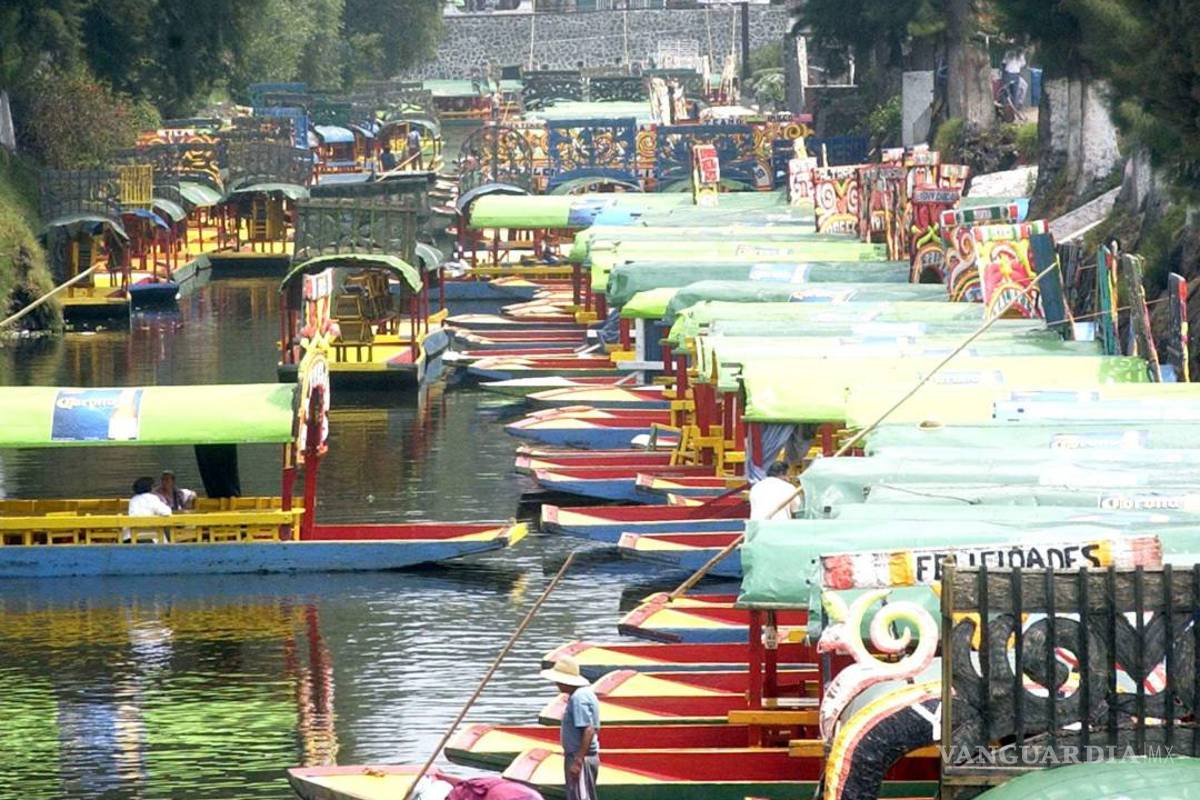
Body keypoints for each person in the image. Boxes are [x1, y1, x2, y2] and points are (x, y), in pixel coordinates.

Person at [540, 655, 599, 800]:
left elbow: (588, 729)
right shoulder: (583, 694)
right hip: (579, 756)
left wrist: (578, 761)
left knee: (581, 797)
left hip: (580, 757)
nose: (557, 684)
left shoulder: (579, 698)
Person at [127, 476, 171, 542]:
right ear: (149, 487)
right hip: (150, 536)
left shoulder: (133, 500)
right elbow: (167, 512)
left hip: (132, 535)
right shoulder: (152, 498)